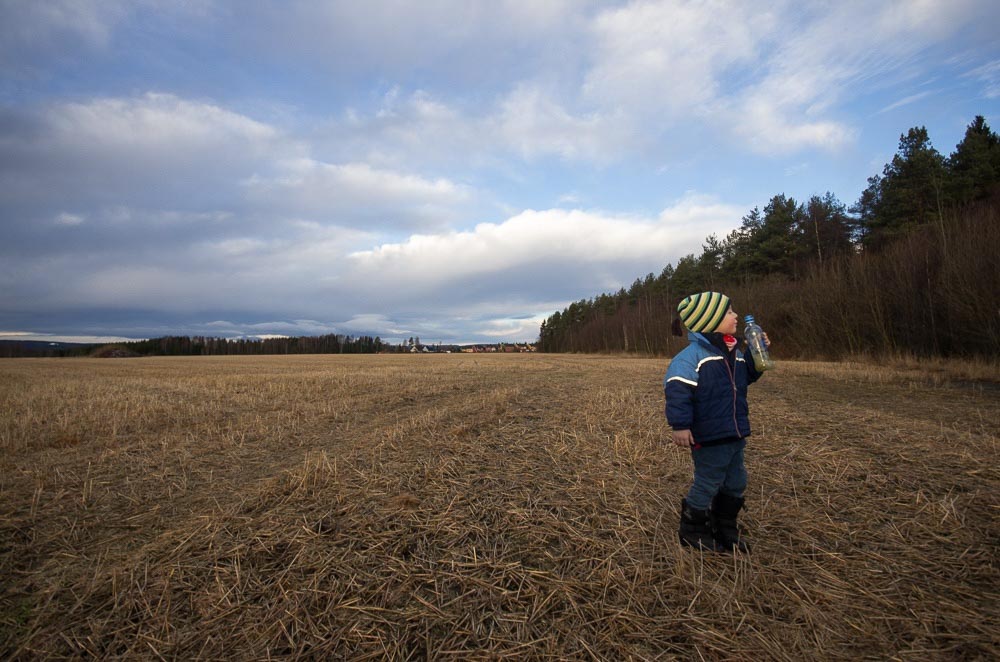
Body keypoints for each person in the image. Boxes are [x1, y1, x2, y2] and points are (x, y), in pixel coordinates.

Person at [663, 291, 769, 553]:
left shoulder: (735, 351)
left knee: (736, 482)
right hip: (709, 435)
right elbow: (677, 391)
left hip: (734, 431)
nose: (735, 316)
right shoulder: (691, 358)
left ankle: (725, 528)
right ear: (711, 321)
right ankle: (693, 529)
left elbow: (746, 378)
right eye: (730, 312)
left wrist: (758, 355)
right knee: (708, 481)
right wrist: (680, 425)